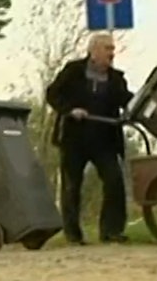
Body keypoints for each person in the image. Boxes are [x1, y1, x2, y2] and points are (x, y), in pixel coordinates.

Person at [46, 33, 134, 245]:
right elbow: (52, 93)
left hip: (104, 140)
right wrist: (70, 110)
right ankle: (73, 235)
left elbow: (127, 100)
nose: (111, 54)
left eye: (112, 49)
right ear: (93, 51)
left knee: (114, 181)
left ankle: (111, 231)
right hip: (74, 138)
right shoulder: (73, 71)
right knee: (71, 186)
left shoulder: (116, 79)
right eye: (107, 49)